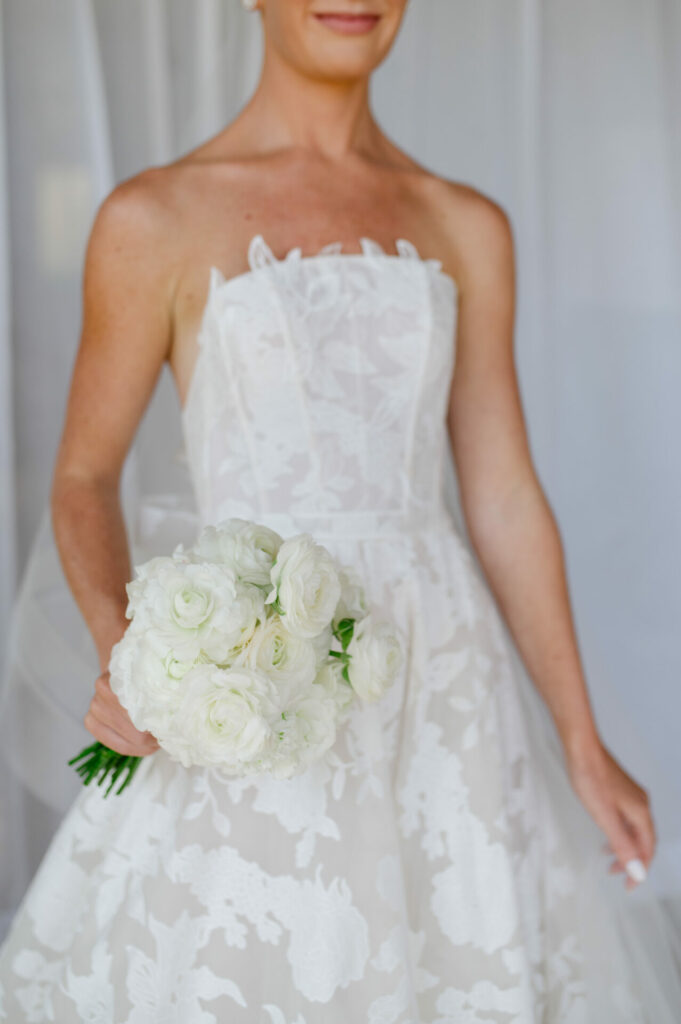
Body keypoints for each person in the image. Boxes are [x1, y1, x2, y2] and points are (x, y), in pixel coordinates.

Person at [1, 1, 679, 1020]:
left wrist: (580, 738)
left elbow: (501, 494)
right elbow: (83, 478)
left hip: (446, 694)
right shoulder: (154, 218)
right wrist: (129, 654)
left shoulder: (466, 224)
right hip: (254, 679)